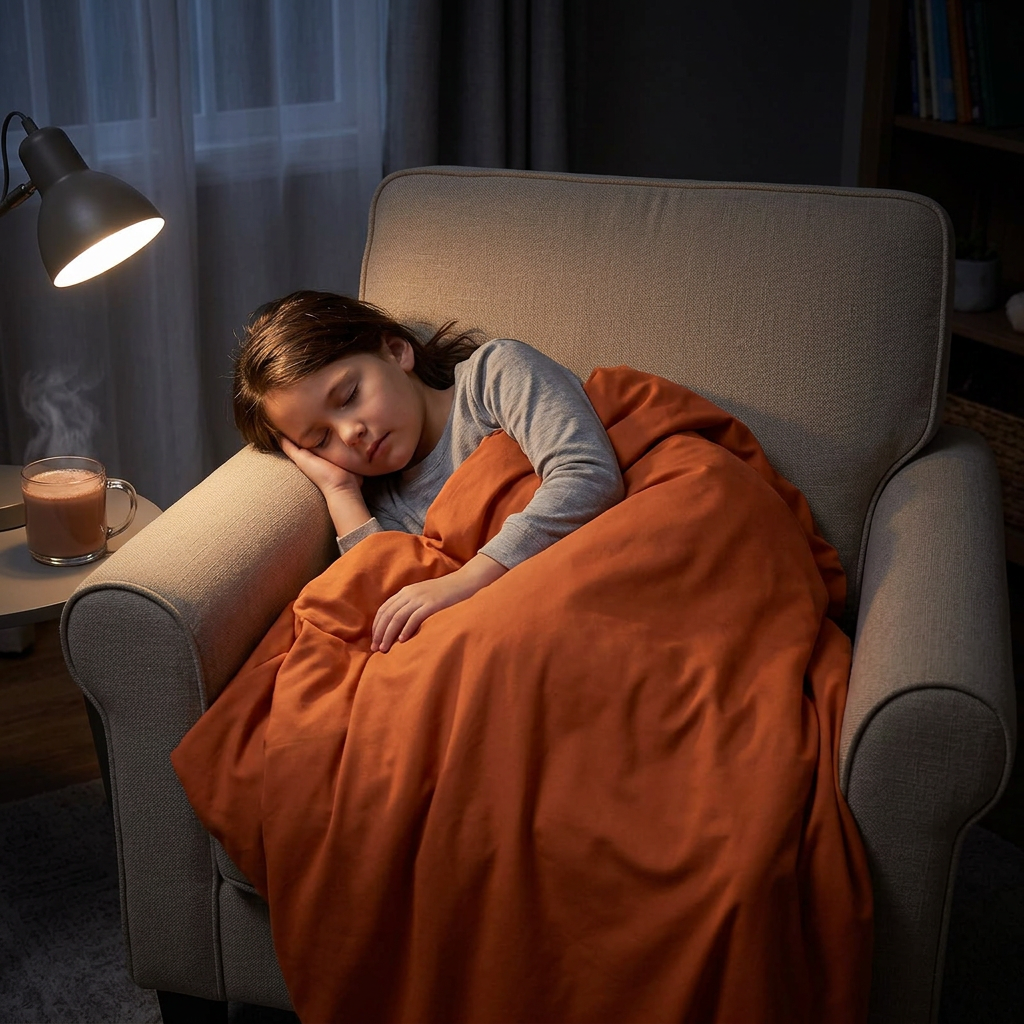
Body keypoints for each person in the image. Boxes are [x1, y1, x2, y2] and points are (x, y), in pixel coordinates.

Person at [233, 290, 625, 654]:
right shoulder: (387, 507)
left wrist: (470, 579)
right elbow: (394, 613)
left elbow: (586, 473)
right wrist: (340, 492)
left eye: (350, 396)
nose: (350, 433)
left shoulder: (492, 376)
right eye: (320, 440)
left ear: (396, 351)